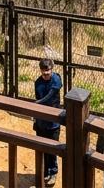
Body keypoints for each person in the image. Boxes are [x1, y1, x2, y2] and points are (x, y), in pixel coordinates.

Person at [32, 58, 63, 186]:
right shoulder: (37, 83)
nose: (46, 74)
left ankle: (53, 172)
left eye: (48, 71)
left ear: (52, 69)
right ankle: (44, 172)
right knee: (42, 148)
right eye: (44, 72)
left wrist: (36, 104)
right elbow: (39, 98)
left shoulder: (56, 79)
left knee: (52, 149)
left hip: (53, 122)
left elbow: (50, 96)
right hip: (41, 121)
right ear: (40, 70)